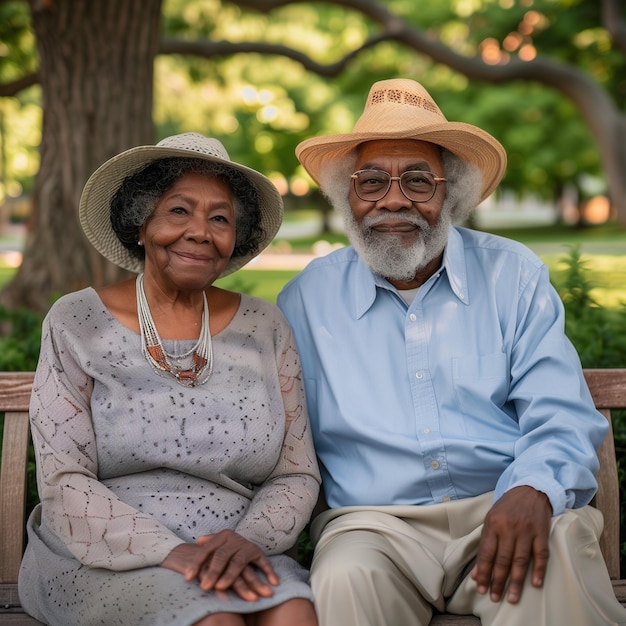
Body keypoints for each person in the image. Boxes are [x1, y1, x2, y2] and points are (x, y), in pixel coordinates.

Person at [277, 78, 626, 626]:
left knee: (555, 546)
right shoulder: (306, 299)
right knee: (345, 575)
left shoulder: (514, 276)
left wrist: (535, 487)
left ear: (451, 194)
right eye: (371, 181)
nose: (393, 198)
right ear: (348, 194)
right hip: (375, 525)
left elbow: (559, 410)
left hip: (502, 504)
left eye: (418, 180)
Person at [18, 133, 321, 626]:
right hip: (104, 551)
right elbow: (62, 477)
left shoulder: (265, 326)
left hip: (236, 545)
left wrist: (250, 540)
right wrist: (169, 552)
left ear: (234, 238)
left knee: (293, 613)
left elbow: (295, 472)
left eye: (220, 218)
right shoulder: (77, 320)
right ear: (140, 223)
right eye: (179, 211)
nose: (201, 232)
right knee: (211, 621)